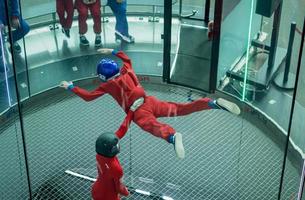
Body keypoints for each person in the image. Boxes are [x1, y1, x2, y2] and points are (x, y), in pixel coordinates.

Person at [60, 48, 241, 159]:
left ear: (102, 76)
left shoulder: (108, 85)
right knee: (180, 109)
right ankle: (213, 103)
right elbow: (127, 59)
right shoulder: (126, 70)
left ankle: (172, 136)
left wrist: (71, 87)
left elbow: (89, 96)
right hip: (150, 100)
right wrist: (113, 51)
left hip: (138, 111)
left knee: (152, 126)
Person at [92, 132, 129, 200]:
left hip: (97, 189)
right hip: (109, 196)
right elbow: (120, 188)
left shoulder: (99, 156)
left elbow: (116, 135)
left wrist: (128, 120)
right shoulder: (117, 168)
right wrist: (126, 193)